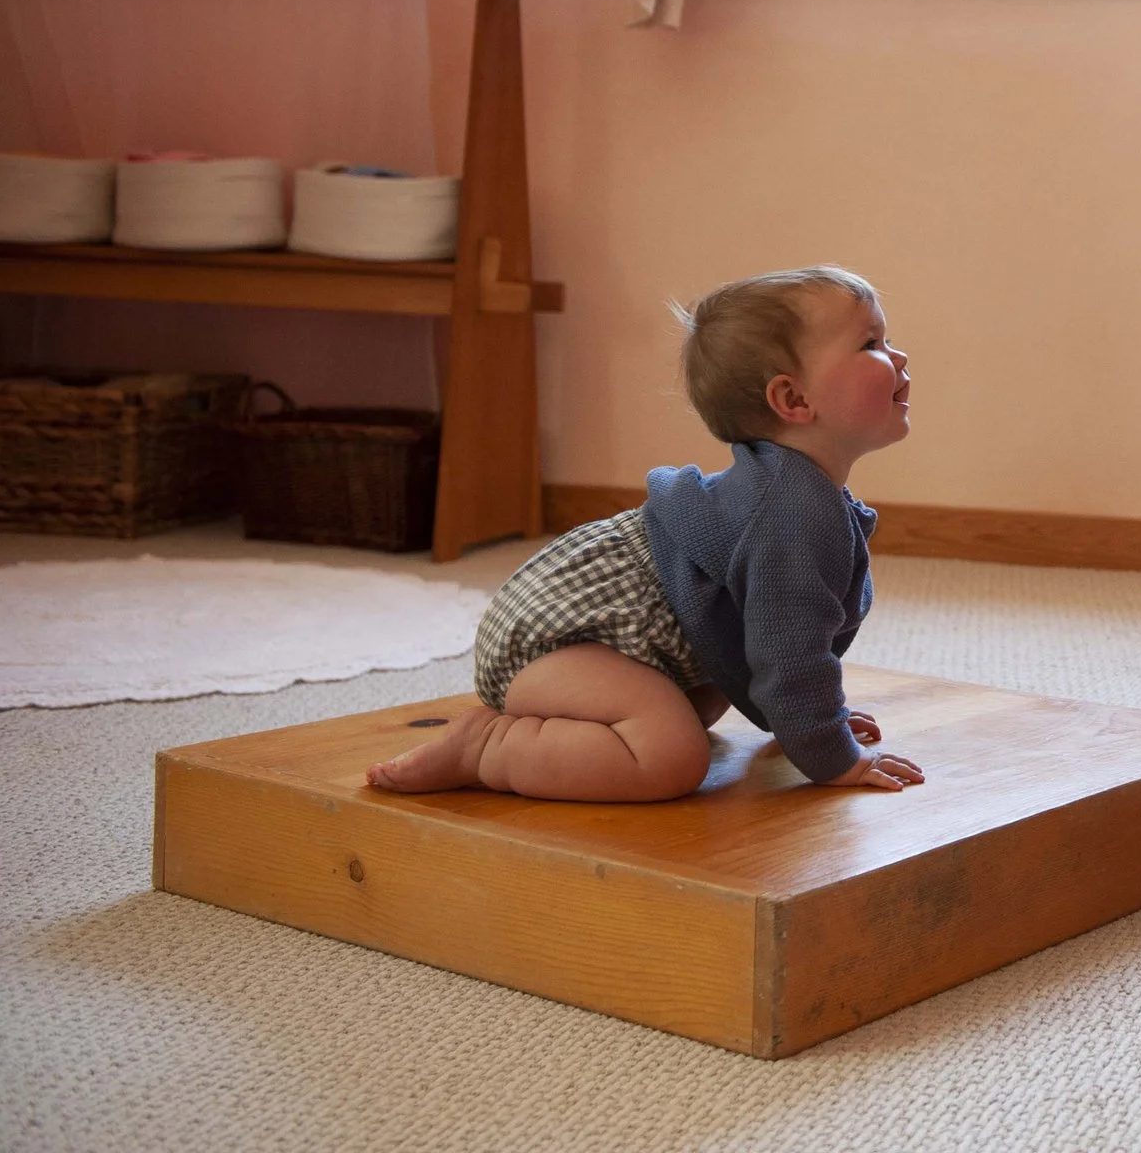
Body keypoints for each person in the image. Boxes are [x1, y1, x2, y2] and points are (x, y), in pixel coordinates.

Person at [369, 265, 926, 803]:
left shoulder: (798, 495)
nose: (897, 355)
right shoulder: (790, 514)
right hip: (558, 639)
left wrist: (806, 719)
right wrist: (833, 753)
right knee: (670, 758)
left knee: (702, 709)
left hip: (619, 641)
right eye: (870, 344)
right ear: (794, 400)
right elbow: (789, 656)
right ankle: (485, 746)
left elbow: (766, 644)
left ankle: (566, 725)